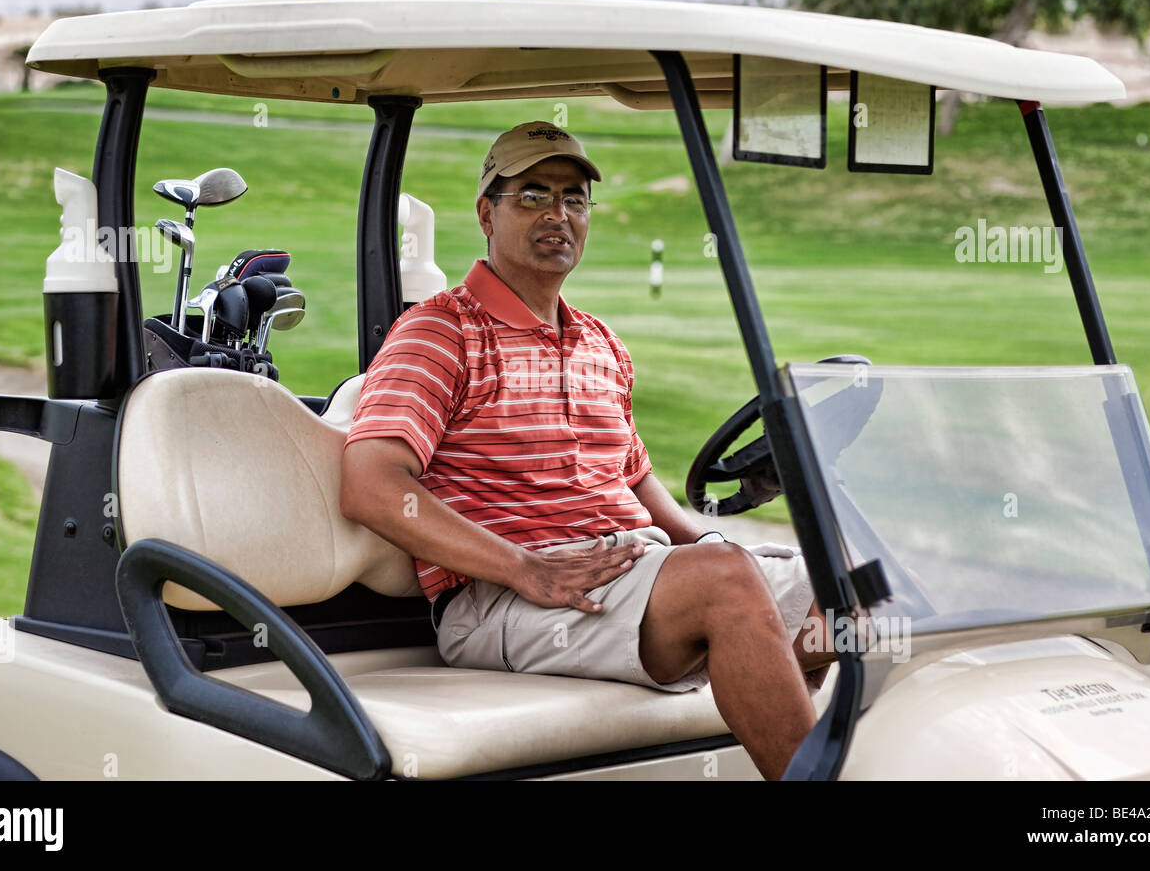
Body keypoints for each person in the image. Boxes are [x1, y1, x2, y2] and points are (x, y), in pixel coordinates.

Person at [340, 121, 834, 779]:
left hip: (627, 579)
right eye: (534, 196)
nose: (558, 215)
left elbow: (636, 490)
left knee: (851, 588)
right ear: (487, 212)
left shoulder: (601, 344)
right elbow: (371, 484)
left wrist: (716, 548)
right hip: (504, 600)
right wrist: (523, 568)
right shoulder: (440, 332)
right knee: (724, 587)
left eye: (574, 199)